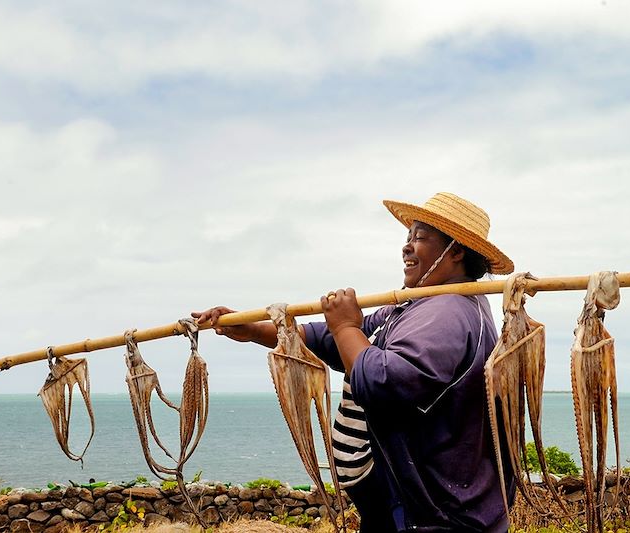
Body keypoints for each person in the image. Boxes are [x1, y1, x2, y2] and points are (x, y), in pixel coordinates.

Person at [194, 192, 516, 532]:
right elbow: (343, 342)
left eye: (420, 238)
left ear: (456, 252)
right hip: (408, 509)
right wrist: (257, 330)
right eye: (407, 237)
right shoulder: (418, 305)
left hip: (438, 517)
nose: (407, 247)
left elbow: (382, 383)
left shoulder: (447, 311)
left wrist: (345, 324)